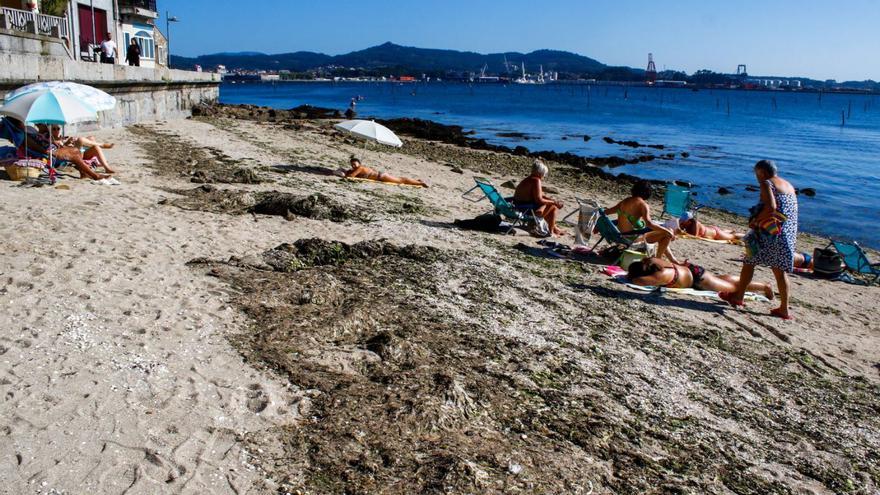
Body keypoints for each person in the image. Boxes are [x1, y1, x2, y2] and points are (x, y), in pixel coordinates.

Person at [720, 160, 798, 320]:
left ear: (761, 172)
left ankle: (738, 297)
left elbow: (771, 207)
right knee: (779, 271)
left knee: (749, 261)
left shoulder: (767, 183)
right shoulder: (788, 185)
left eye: (756, 173)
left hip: (769, 231)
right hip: (786, 232)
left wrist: (756, 220)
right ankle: (784, 309)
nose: (756, 177)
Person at [628, 257, 775, 300]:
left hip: (698, 280)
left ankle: (764, 286)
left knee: (735, 288)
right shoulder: (652, 260)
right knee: (724, 280)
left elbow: (637, 281)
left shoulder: (657, 276)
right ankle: (763, 285)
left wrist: (631, 276)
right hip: (693, 270)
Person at [604, 180, 680, 263]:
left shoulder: (625, 201)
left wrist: (601, 211)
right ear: (647, 192)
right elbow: (649, 223)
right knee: (667, 233)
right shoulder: (643, 205)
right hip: (632, 238)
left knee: (666, 232)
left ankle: (672, 260)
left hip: (620, 235)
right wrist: (667, 231)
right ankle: (658, 260)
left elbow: (607, 212)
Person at [20, 121, 110, 180]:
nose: (45, 125)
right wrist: (47, 151)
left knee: (75, 150)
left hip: (53, 150)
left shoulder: (43, 134)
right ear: (37, 125)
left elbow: (49, 143)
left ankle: (84, 173)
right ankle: (94, 175)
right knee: (74, 152)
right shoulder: (28, 134)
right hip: (50, 154)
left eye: (45, 124)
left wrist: (56, 142)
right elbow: (37, 147)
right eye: (42, 124)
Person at [513, 159, 565, 236]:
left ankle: (554, 228)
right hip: (525, 210)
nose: (544, 176)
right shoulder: (536, 180)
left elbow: (540, 195)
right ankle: (551, 232)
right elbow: (539, 200)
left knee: (550, 203)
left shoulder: (528, 179)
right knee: (553, 207)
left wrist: (552, 200)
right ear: (540, 173)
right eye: (544, 174)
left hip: (518, 206)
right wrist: (554, 203)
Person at [48, 125, 116, 174]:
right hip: (72, 157)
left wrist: (71, 142)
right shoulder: (52, 141)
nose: (57, 130)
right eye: (54, 129)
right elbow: (60, 153)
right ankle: (102, 145)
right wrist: (66, 144)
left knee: (91, 139)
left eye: (58, 128)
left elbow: (70, 147)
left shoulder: (62, 138)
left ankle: (107, 168)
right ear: (50, 130)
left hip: (79, 152)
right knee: (81, 140)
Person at [344, 157, 427, 187]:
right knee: (400, 179)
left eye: (354, 164)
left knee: (401, 180)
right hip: (380, 176)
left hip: (381, 176)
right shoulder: (358, 169)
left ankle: (420, 183)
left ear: (359, 163)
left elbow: (351, 176)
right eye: (352, 165)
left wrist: (347, 172)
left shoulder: (360, 168)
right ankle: (418, 181)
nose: (353, 166)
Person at [678, 212, 743, 241]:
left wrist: (681, 231)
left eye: (684, 220)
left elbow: (695, 236)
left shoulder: (696, 224)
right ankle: (730, 231)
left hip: (716, 234)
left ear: (689, 221)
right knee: (725, 232)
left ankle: (745, 235)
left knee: (733, 236)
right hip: (710, 229)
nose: (682, 221)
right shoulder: (685, 224)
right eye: (682, 220)